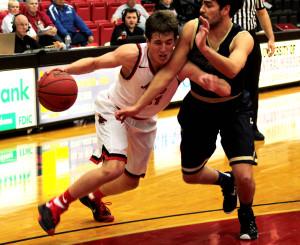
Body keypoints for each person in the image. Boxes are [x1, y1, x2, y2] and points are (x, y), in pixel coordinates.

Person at [37, 10, 231, 236]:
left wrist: (213, 83)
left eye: (169, 42)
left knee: (131, 181)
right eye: (158, 42)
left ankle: (92, 196)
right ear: (147, 40)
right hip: (115, 110)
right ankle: (55, 205)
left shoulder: (181, 65)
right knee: (114, 167)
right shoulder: (133, 54)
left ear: (176, 41)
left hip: (144, 120)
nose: (164, 49)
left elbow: (222, 87)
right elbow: (95, 63)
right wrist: (65, 69)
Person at [115, 0, 259, 241]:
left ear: (225, 10)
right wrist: (138, 106)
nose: (201, 9)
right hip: (199, 107)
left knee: (245, 174)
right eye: (202, 3)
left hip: (233, 109)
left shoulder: (242, 37)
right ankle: (226, 181)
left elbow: (233, 69)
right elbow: (169, 71)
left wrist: (204, 50)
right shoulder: (192, 28)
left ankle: (246, 213)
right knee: (190, 174)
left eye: (209, 4)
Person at [232, 0, 275, 141]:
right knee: (233, 85)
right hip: (231, 37)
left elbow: (261, 12)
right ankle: (231, 127)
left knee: (252, 85)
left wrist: (271, 38)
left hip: (251, 36)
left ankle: (252, 126)